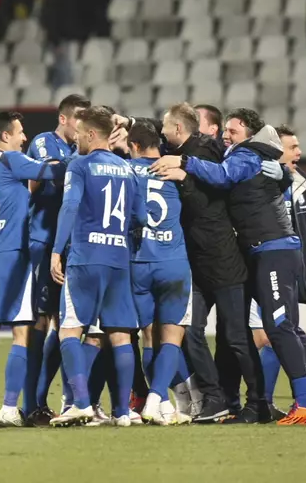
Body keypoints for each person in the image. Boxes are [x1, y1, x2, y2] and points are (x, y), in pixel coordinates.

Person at [153, 108, 306, 425]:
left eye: (231, 130)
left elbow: (223, 176)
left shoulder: (246, 154)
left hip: (272, 247)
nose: (226, 136)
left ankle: (303, 402)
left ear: (246, 129)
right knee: (280, 328)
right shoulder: (251, 156)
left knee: (277, 328)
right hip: (266, 249)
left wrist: (185, 164)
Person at [0, 111, 66, 428]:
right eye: (19, 132)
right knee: (22, 333)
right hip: (12, 255)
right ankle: (8, 408)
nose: (24, 138)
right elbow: (53, 172)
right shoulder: (11, 160)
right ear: (5, 136)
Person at [49, 107, 145, 427]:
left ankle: (80, 403)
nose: (75, 139)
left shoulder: (79, 165)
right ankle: (122, 413)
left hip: (86, 258)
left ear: (91, 134)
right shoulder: (127, 168)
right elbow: (140, 218)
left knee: (69, 330)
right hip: (118, 259)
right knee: (120, 336)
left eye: (78, 134)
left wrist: (56, 250)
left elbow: (71, 205)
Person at [154, 103, 250, 422]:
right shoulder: (179, 147)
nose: (162, 131)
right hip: (196, 262)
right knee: (190, 330)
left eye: (166, 126)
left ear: (179, 130)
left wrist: (182, 177)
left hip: (222, 259)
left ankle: (256, 400)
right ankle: (214, 397)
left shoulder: (204, 152)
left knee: (234, 338)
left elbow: (203, 205)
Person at [246, 126, 306, 421]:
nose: (298, 152)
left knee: (276, 334)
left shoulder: (300, 185)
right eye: (292, 147)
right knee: (285, 333)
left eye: (298, 147)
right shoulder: (259, 177)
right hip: (269, 265)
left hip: (277, 265)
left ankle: (265, 402)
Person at [24, 93, 90, 425]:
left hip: (72, 247)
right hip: (43, 241)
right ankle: (31, 403)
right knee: (41, 321)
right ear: (64, 119)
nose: (82, 124)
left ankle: (64, 400)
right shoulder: (44, 142)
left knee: (67, 325)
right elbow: (53, 172)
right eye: (78, 117)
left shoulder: (82, 150)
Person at [126, 120, 194, 426]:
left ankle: (162, 402)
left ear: (135, 146)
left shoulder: (126, 171)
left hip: (138, 262)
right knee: (172, 336)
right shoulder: (176, 170)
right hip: (173, 262)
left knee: (147, 336)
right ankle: (157, 400)